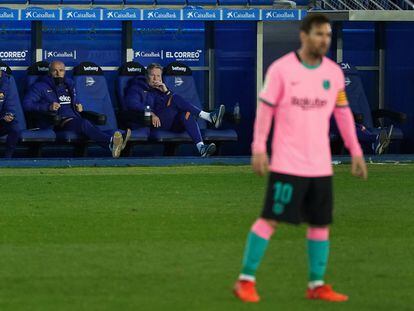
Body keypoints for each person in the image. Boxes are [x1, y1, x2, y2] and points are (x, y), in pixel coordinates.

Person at [233, 14, 368, 303]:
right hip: (287, 163)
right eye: (319, 34)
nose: (324, 40)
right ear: (304, 36)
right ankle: (245, 280)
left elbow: (342, 114)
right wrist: (258, 147)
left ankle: (316, 284)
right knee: (270, 219)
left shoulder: (332, 73)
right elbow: (265, 111)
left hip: (320, 165)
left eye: (328, 35)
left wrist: (355, 150)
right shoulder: (281, 70)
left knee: (320, 224)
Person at [23, 61, 130, 158]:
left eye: (61, 70)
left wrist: (78, 106)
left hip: (74, 118)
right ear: (49, 72)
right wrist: (48, 107)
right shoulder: (39, 86)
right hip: (56, 121)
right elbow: (27, 104)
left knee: (90, 126)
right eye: (54, 70)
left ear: (64, 72)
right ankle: (111, 142)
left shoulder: (69, 84)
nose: (58, 73)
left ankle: (116, 138)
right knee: (84, 124)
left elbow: (74, 101)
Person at [124, 63, 225, 157]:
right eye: (152, 75)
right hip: (149, 122)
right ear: (147, 76)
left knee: (186, 113)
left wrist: (166, 92)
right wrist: (150, 113)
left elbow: (171, 104)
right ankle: (208, 116)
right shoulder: (137, 87)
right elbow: (131, 103)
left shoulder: (161, 89)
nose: (155, 79)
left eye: (158, 76)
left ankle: (201, 148)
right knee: (175, 98)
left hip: (165, 121)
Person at [0, 70, 21, 158]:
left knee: (14, 126)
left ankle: (8, 159)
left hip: (1, 120)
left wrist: (8, 114)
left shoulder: (6, 81)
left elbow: (10, 104)